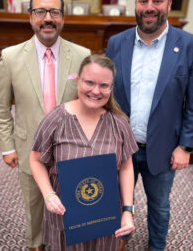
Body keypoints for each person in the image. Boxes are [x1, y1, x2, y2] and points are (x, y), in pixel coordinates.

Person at [106, 0, 193, 251]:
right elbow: (106, 93)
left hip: (162, 148)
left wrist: (185, 147)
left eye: (157, 0)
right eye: (143, 1)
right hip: (121, 146)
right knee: (117, 203)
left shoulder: (190, 46)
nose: (149, 7)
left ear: (169, 4)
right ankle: (116, 246)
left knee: (159, 206)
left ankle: (156, 247)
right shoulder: (117, 43)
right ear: (135, 5)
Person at [0, 0, 90, 251]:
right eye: (40, 11)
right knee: (34, 208)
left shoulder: (82, 56)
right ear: (30, 17)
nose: (48, 17)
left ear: (63, 17)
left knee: (71, 207)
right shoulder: (10, 57)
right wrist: (7, 147)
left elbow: (90, 105)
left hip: (71, 152)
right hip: (29, 150)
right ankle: (36, 246)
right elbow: (2, 108)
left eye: (54, 12)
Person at [29, 54, 138, 251]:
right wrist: (48, 194)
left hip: (105, 216)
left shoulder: (119, 123)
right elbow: (36, 159)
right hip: (64, 216)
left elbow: (126, 166)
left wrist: (128, 210)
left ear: (111, 88)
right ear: (77, 80)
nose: (96, 91)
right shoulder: (56, 119)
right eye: (89, 82)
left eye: (104, 85)